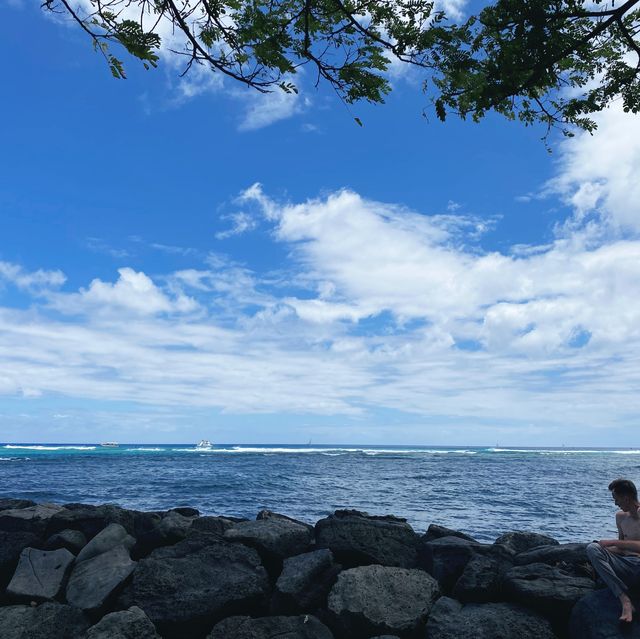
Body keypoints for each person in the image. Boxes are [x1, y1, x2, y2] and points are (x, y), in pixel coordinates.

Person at [587, 478, 640, 622]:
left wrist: (612, 542)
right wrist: (602, 548)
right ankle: (625, 600)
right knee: (592, 548)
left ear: (626, 498)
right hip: (624, 565)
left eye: (616, 499)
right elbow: (622, 548)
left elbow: (623, 544)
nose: (616, 503)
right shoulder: (621, 517)